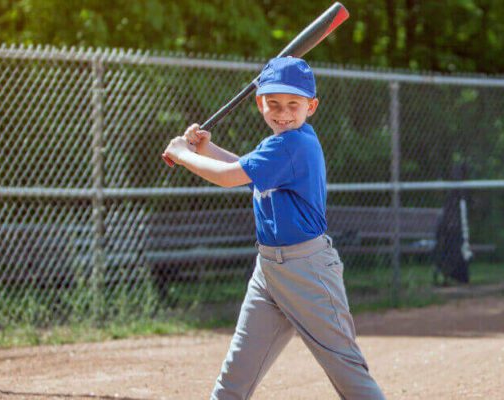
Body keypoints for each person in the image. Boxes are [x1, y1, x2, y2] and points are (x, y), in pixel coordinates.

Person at [161, 57, 386, 400]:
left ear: (311, 107)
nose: (283, 113)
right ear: (259, 103)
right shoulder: (277, 147)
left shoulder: (294, 144)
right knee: (235, 377)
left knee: (349, 374)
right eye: (274, 103)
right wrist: (205, 148)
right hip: (268, 270)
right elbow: (242, 168)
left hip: (307, 271)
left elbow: (227, 177)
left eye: (294, 104)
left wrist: (182, 153)